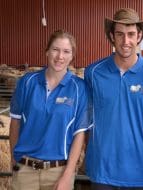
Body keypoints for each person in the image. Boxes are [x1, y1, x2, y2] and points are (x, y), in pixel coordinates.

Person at [84, 8, 143, 190]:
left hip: (138, 173)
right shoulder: (93, 73)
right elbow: (86, 119)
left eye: (131, 34)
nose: (126, 41)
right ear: (111, 35)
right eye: (120, 34)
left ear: (139, 36)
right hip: (101, 171)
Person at [9, 29, 89, 190]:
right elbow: (15, 123)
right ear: (47, 51)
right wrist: (14, 159)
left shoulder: (79, 88)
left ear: (72, 56)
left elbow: (79, 134)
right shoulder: (26, 83)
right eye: (55, 49)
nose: (60, 56)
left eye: (66, 51)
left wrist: (68, 175)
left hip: (58, 172)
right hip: (25, 170)